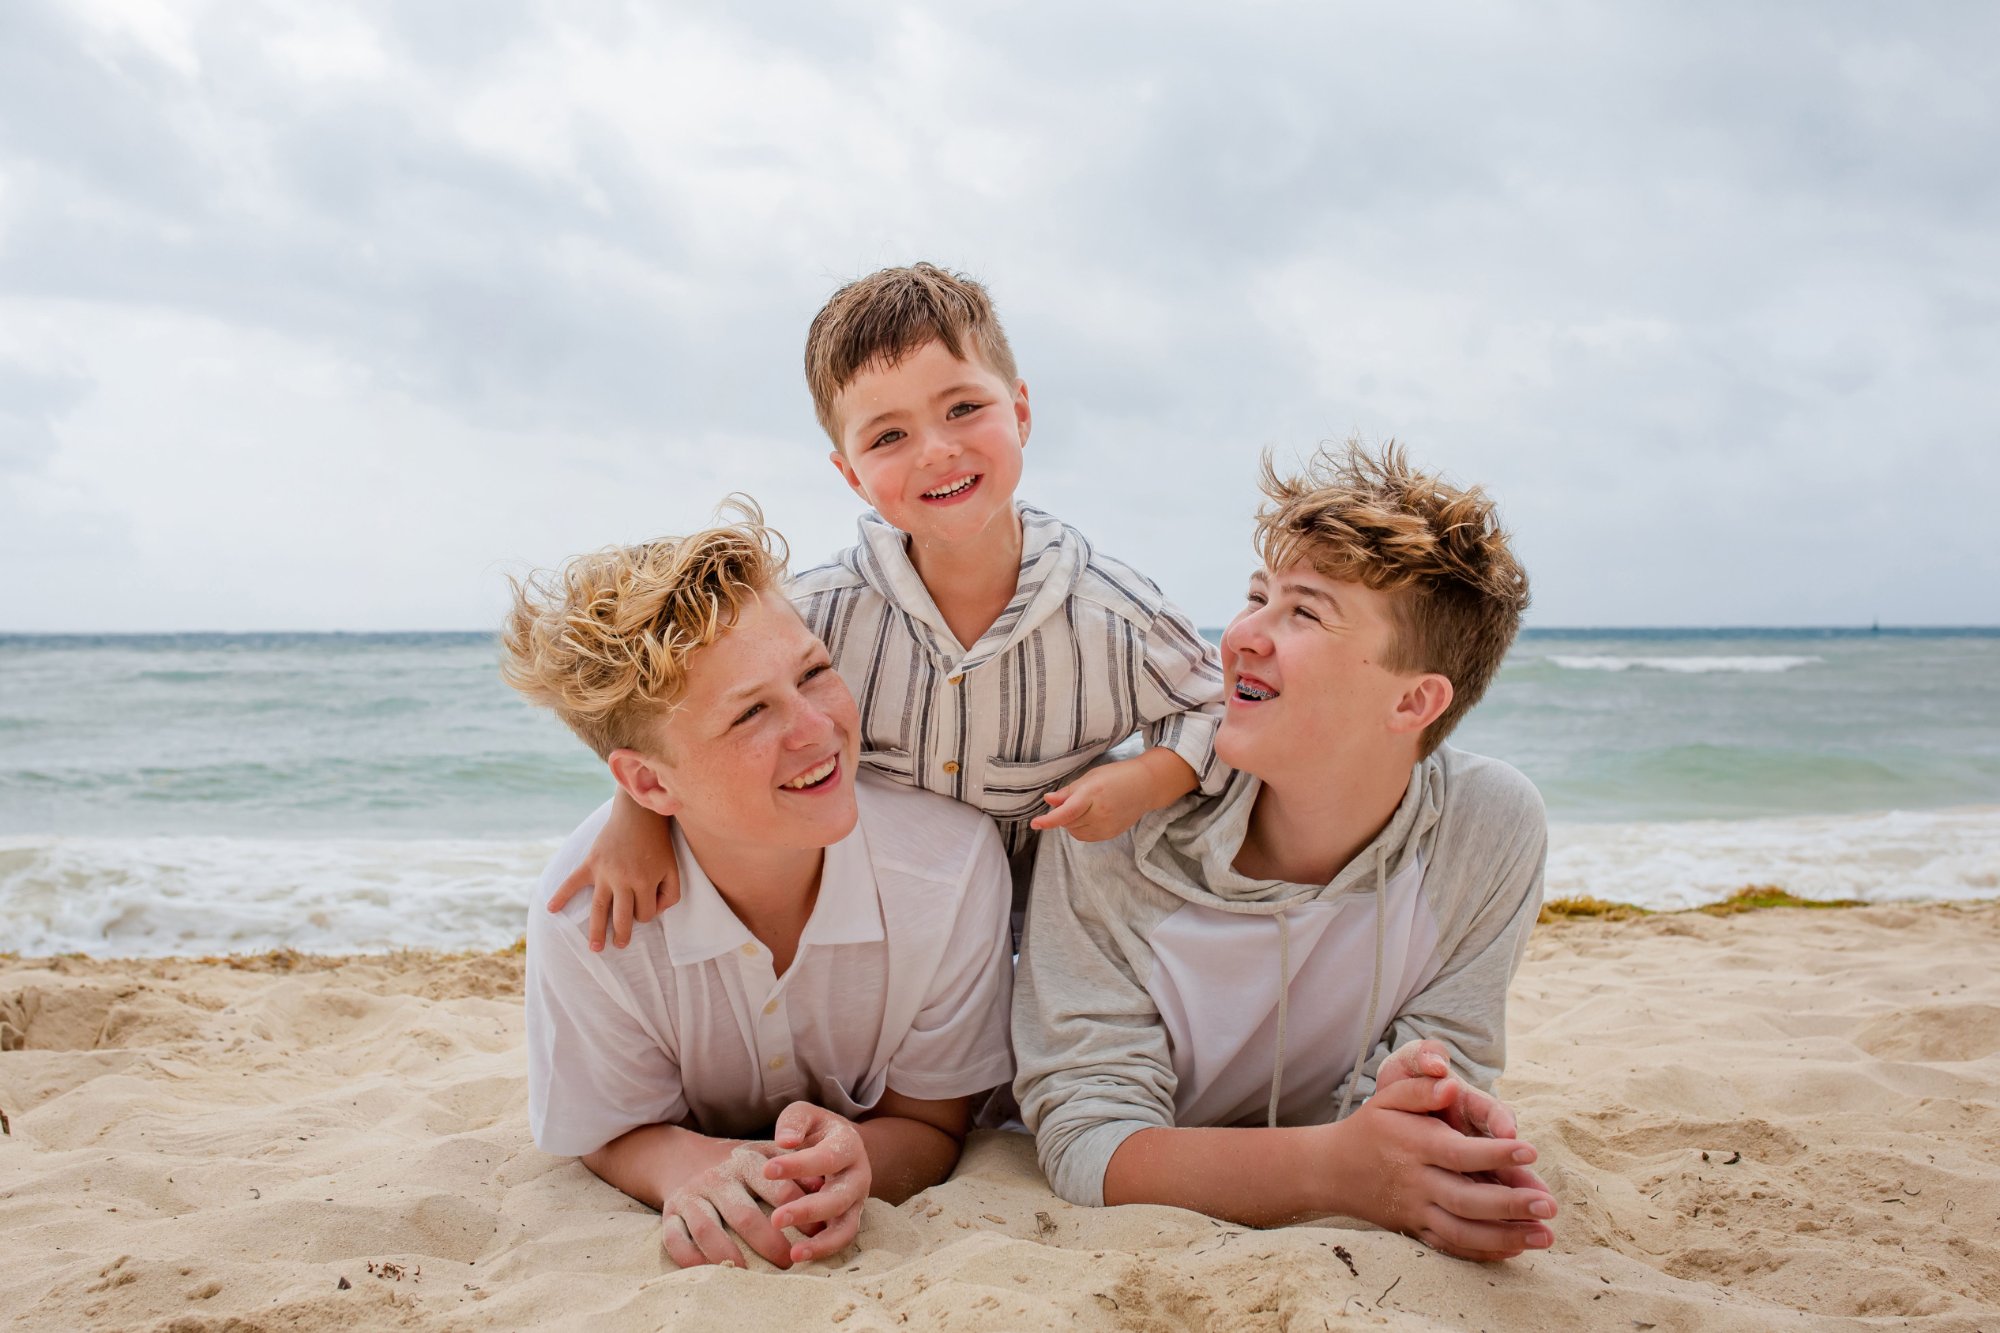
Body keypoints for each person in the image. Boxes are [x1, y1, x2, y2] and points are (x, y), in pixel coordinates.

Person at [553, 263, 1228, 949]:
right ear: (850, 473)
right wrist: (635, 821)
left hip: (1044, 942)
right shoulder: (813, 620)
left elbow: (1217, 707)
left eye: (964, 408)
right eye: (888, 437)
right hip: (883, 940)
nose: (937, 450)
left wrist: (1145, 778)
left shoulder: (1116, 617)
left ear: (1020, 412)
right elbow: (670, 724)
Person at [1011, 443, 1559, 1262]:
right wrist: (1337, 1168)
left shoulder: (1487, 826)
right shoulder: (1118, 824)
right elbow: (1090, 1143)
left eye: (1303, 611)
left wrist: (1430, 1104)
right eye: (1256, 596)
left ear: (1413, 699)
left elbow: (1443, 1072)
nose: (1238, 637)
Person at [502, 504, 1015, 1270]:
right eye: (751, 713)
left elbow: (934, 1122)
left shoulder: (949, 870)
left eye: (813, 672)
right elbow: (610, 1127)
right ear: (647, 781)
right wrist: (687, 1169)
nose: (816, 727)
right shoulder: (589, 918)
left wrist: (862, 1161)